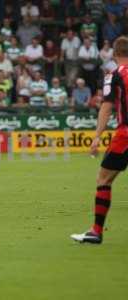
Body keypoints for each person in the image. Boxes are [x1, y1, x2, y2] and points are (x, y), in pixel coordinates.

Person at [71, 36, 128, 244]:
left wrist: (96, 137)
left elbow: (106, 107)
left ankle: (96, 231)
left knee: (103, 180)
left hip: (125, 135)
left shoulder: (114, 75)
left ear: (114, 54)